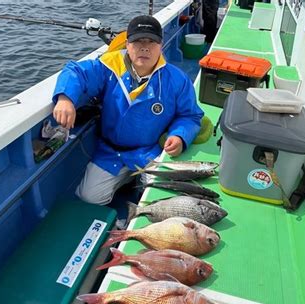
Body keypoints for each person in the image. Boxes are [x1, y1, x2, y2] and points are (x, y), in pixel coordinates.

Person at [52, 15, 204, 205]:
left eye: (151, 41)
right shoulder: (109, 66)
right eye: (138, 41)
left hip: (149, 152)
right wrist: (65, 98)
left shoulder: (177, 79)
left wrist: (180, 136)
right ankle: (126, 179)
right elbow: (75, 71)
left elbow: (190, 115)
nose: (145, 47)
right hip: (109, 152)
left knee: (160, 199)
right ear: (127, 44)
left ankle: (135, 181)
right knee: (88, 197)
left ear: (161, 45)